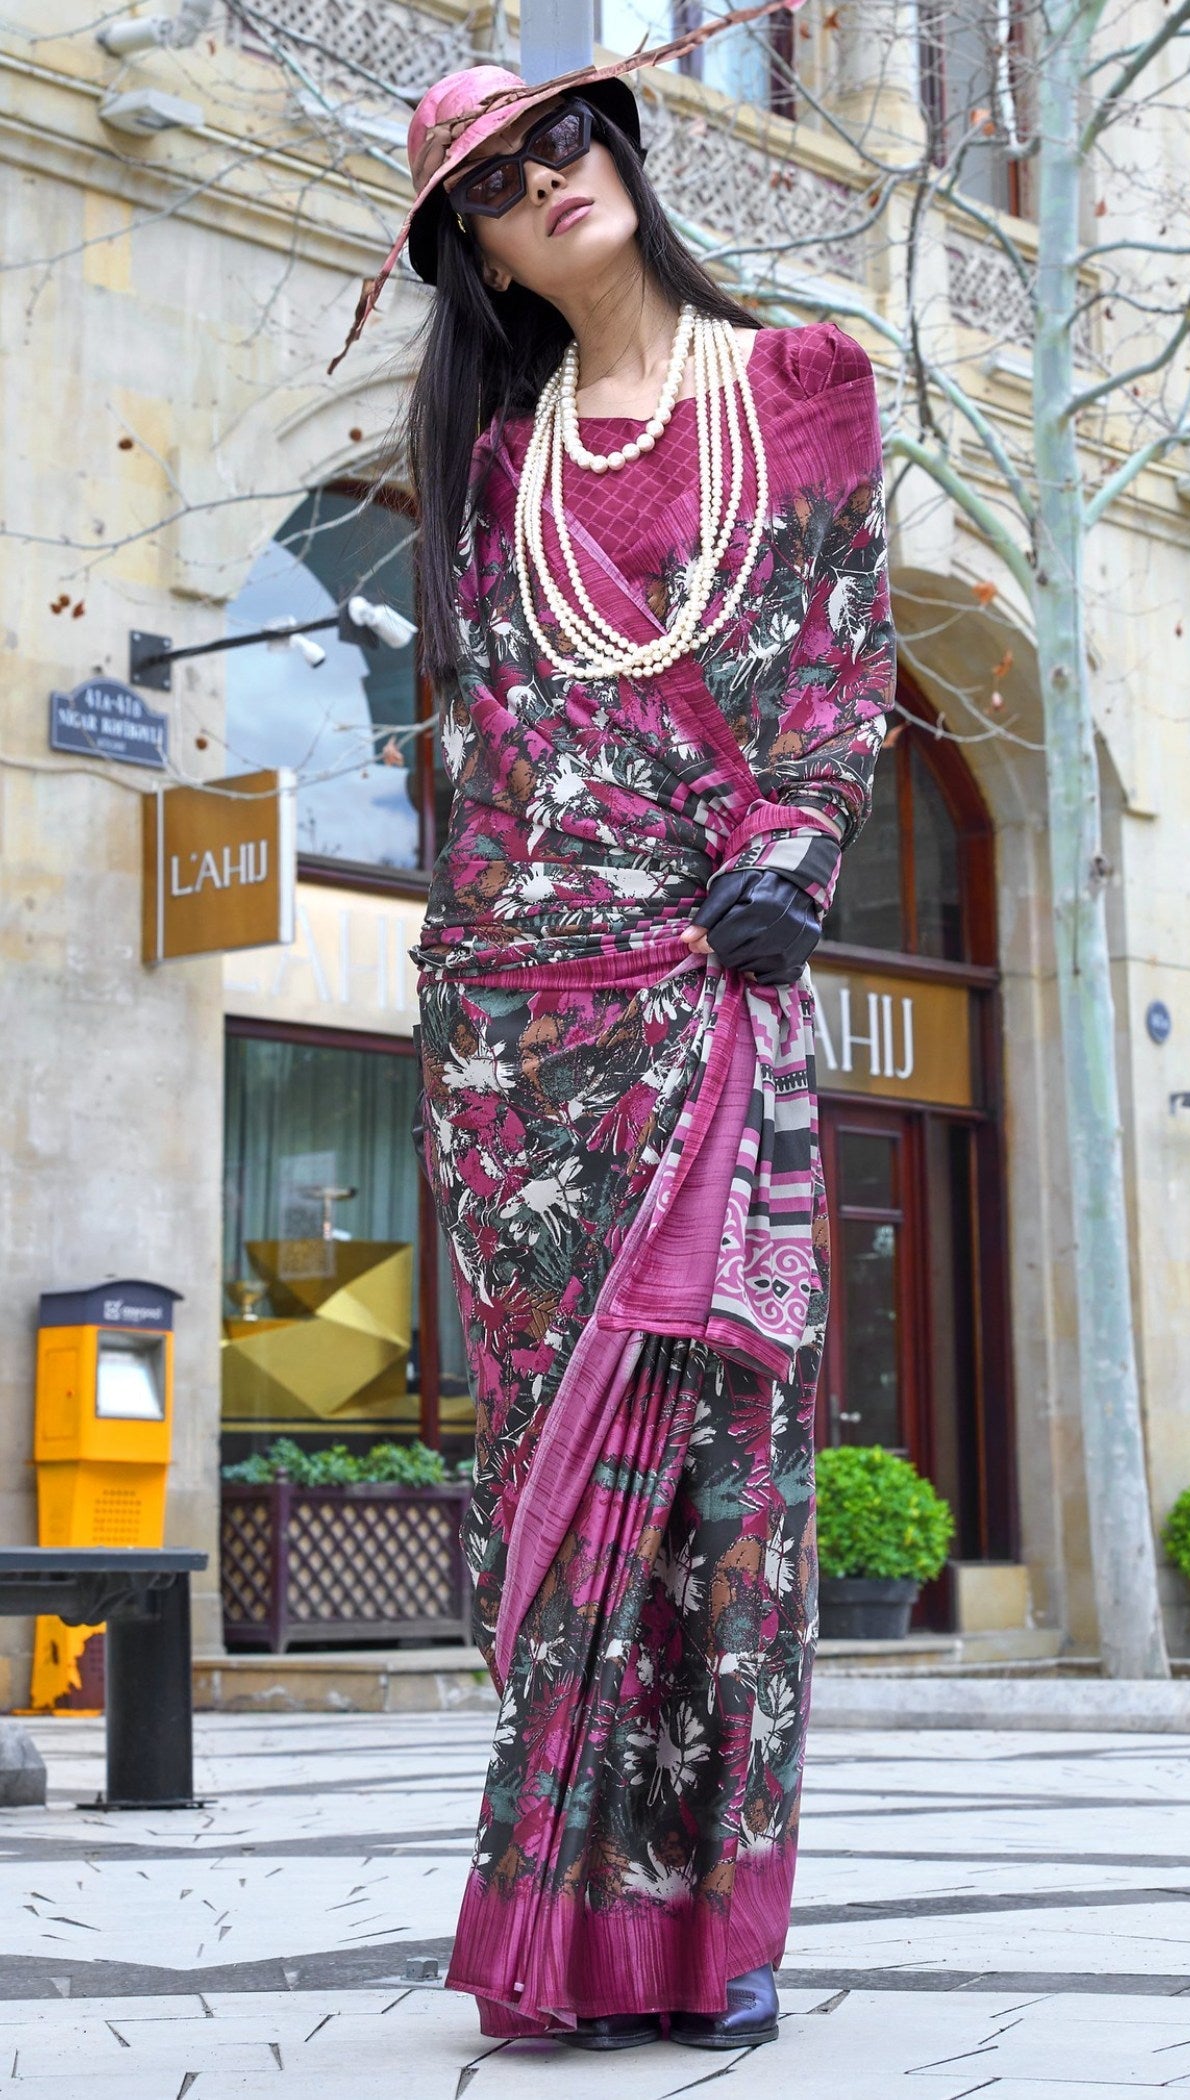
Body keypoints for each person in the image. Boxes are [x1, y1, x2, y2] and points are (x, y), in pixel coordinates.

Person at [341, 35, 895, 2053]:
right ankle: (566, 1937)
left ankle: (714, 1931)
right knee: (561, 1486)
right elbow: (479, 752)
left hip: (710, 993)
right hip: (514, 1029)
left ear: (625, 150)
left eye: (567, 137)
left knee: (726, 1473)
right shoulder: (497, 467)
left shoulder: (804, 386)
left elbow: (840, 658)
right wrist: (460, 998)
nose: (545, 180)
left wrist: (795, 844)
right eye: (495, 182)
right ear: (477, 256)